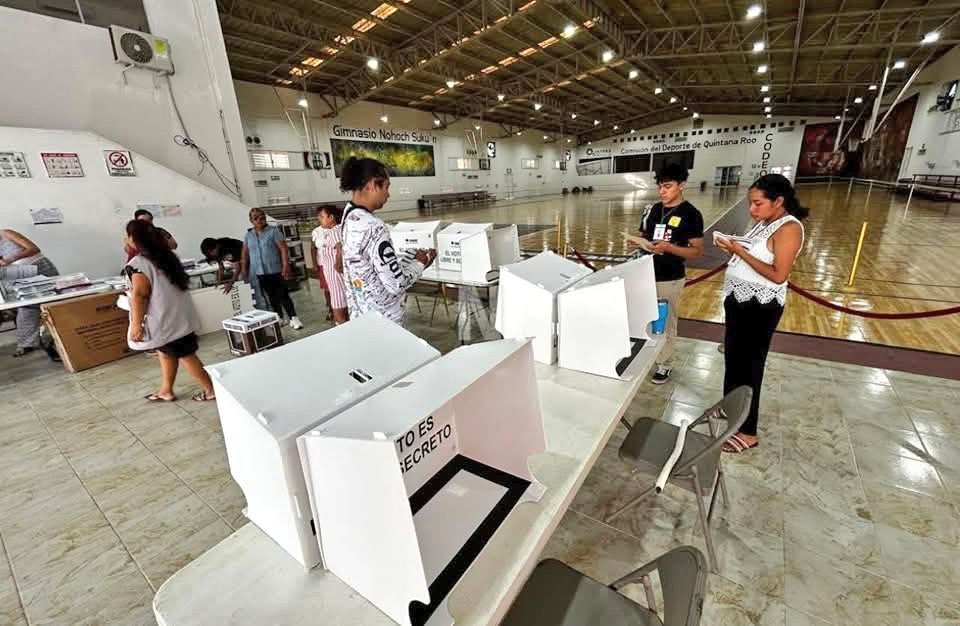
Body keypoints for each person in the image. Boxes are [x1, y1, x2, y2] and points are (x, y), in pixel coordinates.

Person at [716, 174, 807, 453]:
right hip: (738, 299)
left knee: (750, 365)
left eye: (757, 204)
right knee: (733, 357)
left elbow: (778, 275)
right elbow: (752, 252)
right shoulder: (764, 223)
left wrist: (738, 252)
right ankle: (731, 407)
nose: (752, 210)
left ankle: (748, 431)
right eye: (750, 204)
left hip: (760, 306)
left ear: (778, 201)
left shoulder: (790, 228)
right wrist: (733, 246)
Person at [625, 162, 704, 384]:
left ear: (682, 185)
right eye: (660, 186)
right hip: (644, 274)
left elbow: (696, 251)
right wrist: (637, 244)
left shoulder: (691, 214)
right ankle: (643, 355)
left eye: (667, 186)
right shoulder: (651, 210)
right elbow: (644, 236)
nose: (662, 191)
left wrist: (669, 248)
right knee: (642, 318)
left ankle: (665, 363)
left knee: (666, 322)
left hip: (669, 278)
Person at [123, 220, 215, 403]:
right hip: (178, 317)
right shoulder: (167, 257)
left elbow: (140, 295)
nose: (125, 239)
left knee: (185, 355)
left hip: (165, 320)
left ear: (134, 238)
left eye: (127, 235)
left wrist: (136, 325)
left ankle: (212, 389)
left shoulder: (139, 264)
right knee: (166, 353)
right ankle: (166, 390)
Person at [339, 157, 436, 324]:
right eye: (386, 186)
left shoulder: (349, 216)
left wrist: (403, 261)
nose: (388, 194)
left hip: (360, 315)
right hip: (384, 321)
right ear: (370, 185)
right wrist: (421, 263)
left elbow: (367, 266)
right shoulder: (374, 226)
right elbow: (395, 285)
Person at [238, 208, 303, 330]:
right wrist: (244, 269)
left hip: (275, 269)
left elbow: (283, 249)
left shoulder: (273, 232)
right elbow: (245, 253)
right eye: (256, 218)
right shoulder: (248, 235)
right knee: (271, 296)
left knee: (283, 294)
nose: (260, 220)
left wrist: (285, 265)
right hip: (259, 271)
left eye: (262, 217)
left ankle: (293, 318)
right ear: (251, 220)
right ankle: (279, 317)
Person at [0, 229, 60, 358]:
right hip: (20, 274)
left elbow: (34, 248)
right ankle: (28, 344)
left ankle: (59, 336)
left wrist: (10, 259)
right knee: (26, 306)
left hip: (39, 267)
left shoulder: (6, 233)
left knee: (55, 300)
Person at [310, 205, 349, 324]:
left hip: (336, 279)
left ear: (331, 217)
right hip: (334, 278)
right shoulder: (335, 230)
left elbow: (340, 247)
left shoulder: (335, 231)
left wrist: (338, 265)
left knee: (339, 311)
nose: (319, 219)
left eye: (322, 216)